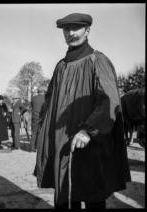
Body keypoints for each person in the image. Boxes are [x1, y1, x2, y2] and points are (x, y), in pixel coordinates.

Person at [34, 13, 131, 209]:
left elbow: (109, 101)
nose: (70, 33)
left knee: (92, 196)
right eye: (66, 29)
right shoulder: (60, 66)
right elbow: (50, 103)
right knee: (65, 197)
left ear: (87, 31)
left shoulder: (98, 61)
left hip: (89, 145)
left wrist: (89, 130)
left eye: (76, 28)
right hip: (62, 145)